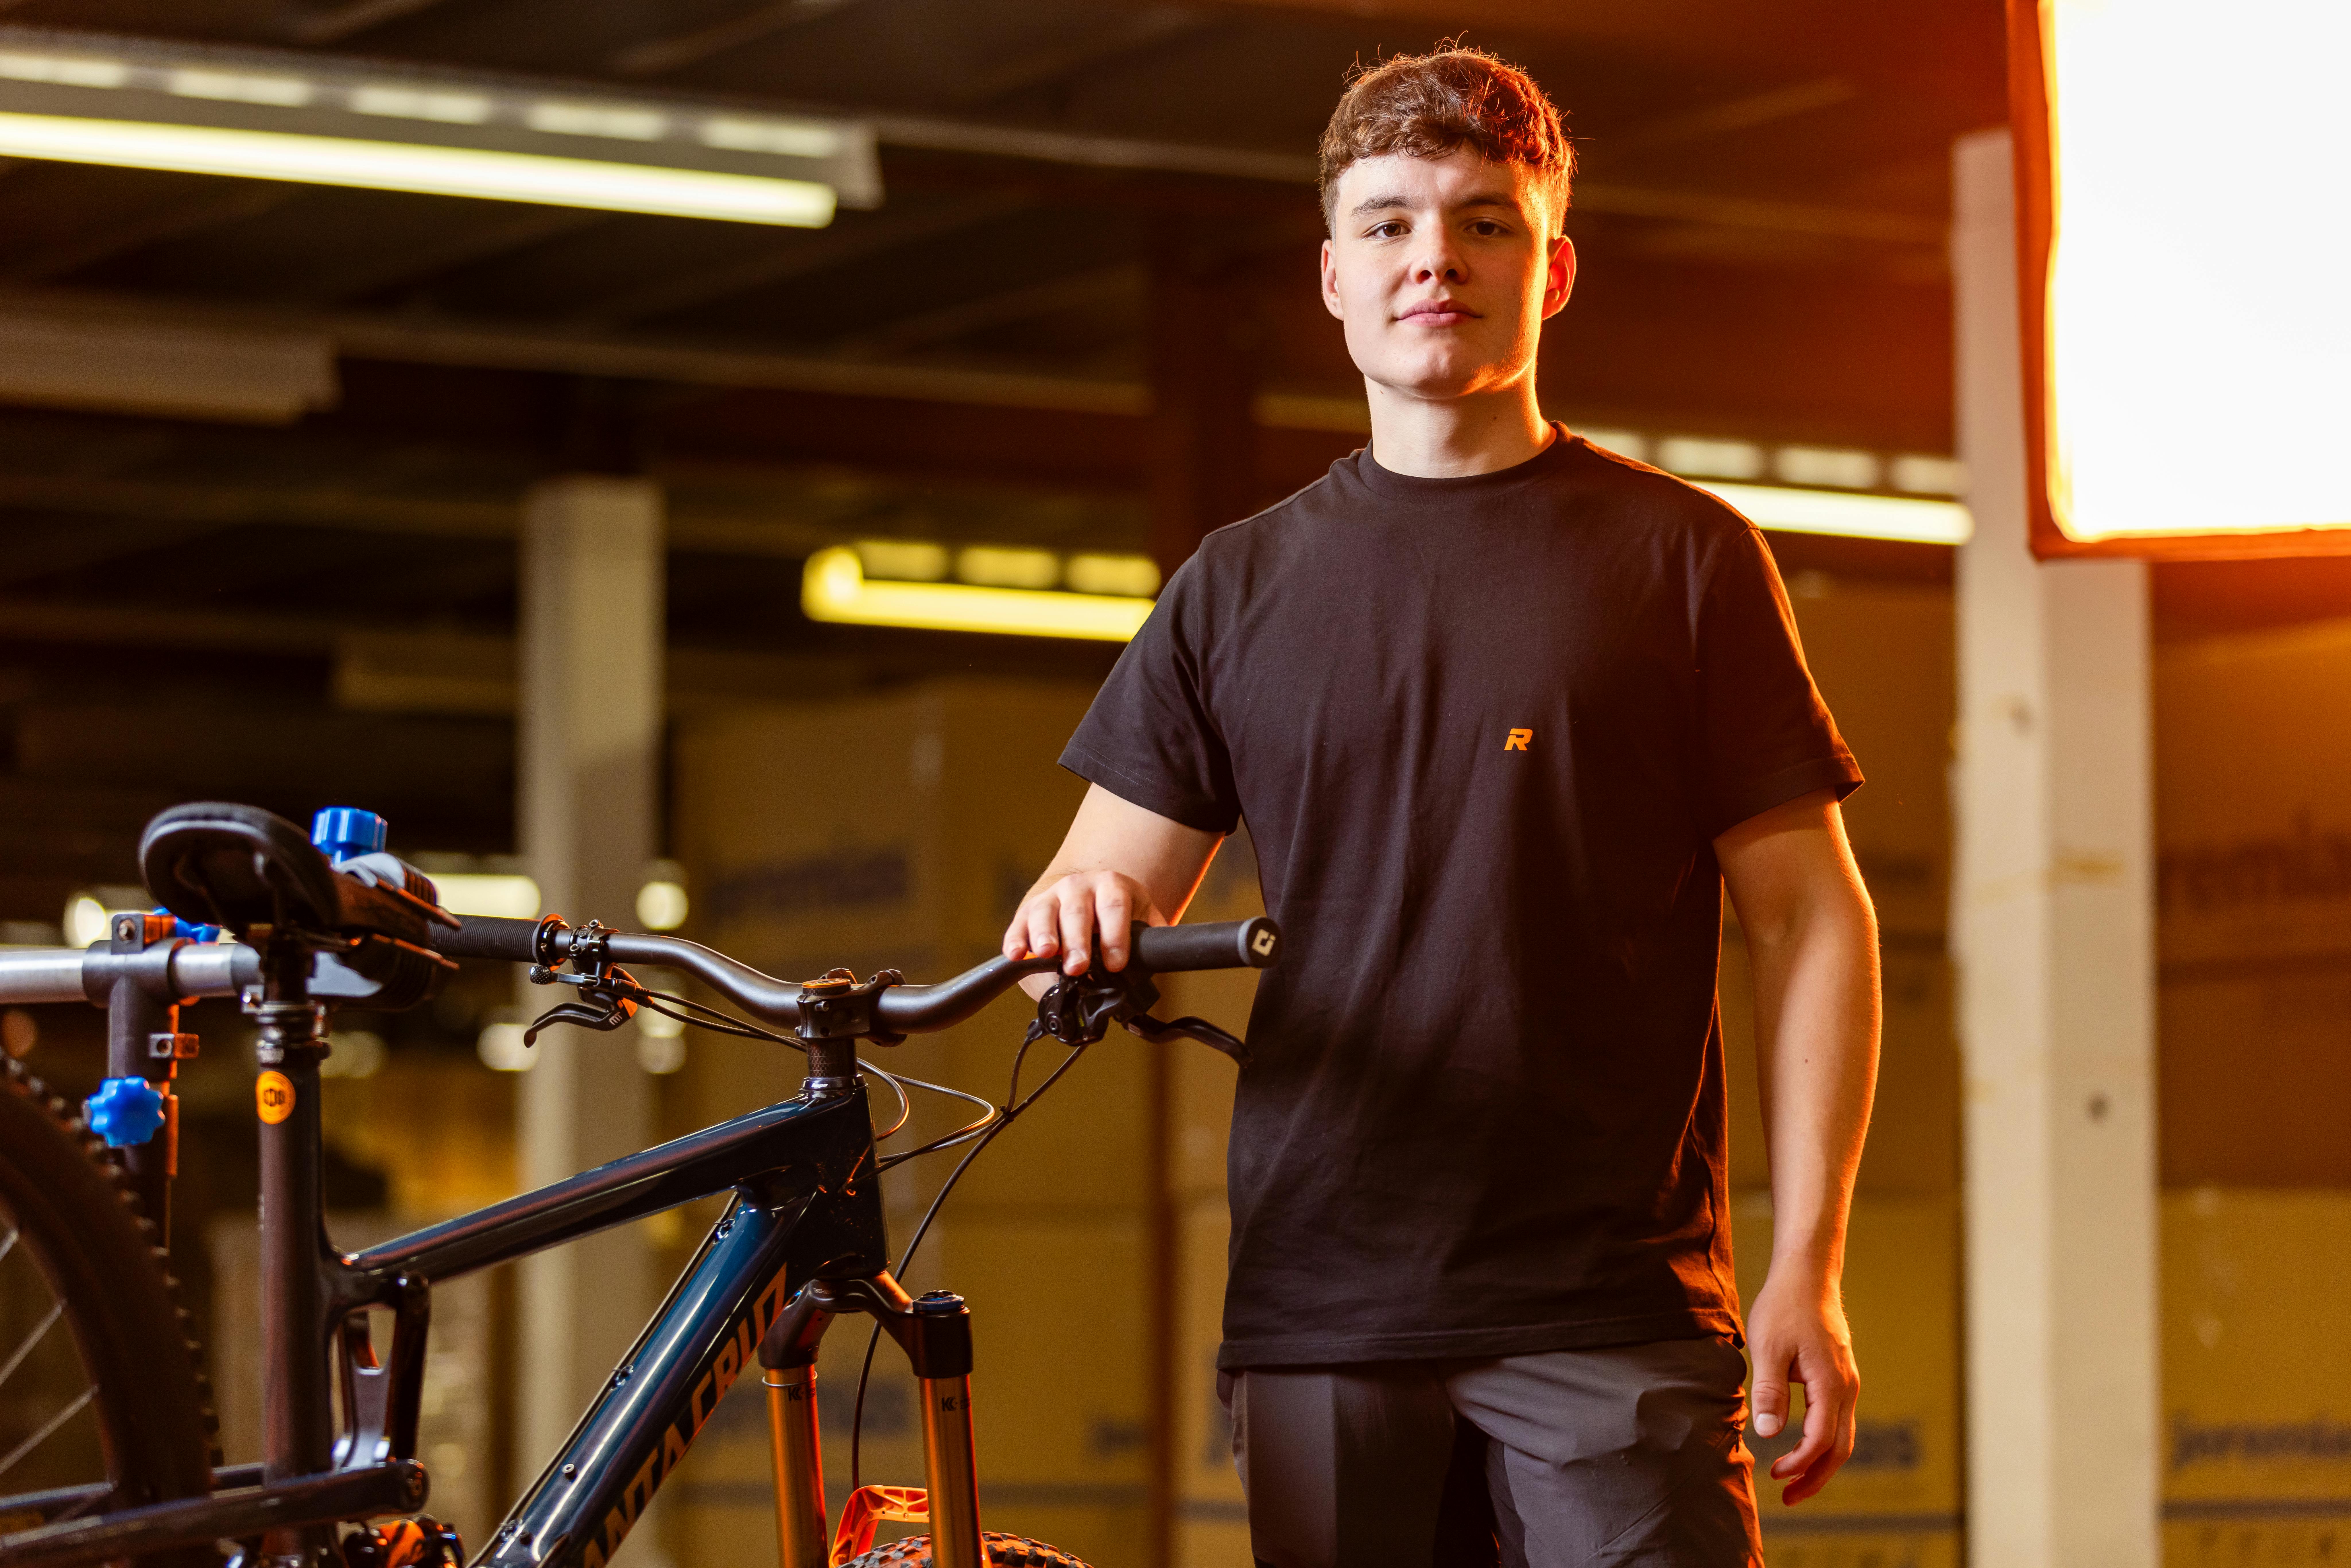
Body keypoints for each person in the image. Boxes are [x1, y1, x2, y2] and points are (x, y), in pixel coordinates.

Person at [1002, 44, 1879, 1568]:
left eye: (1487, 221)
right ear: (1333, 274)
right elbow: (1101, 885)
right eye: (1394, 222)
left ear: (1553, 272)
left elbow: (1813, 913)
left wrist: (1809, 1258)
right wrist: (1076, 911)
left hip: (1611, 1306)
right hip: (1327, 1303)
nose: (1437, 259)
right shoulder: (1237, 586)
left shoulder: (1683, 560)